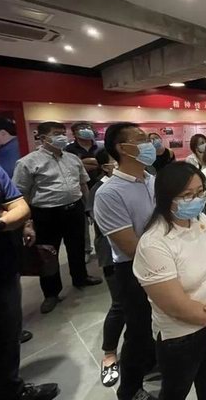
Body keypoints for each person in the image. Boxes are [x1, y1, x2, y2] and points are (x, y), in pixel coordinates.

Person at [0, 127, 60, 400]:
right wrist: (4, 217)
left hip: (2, 270)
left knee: (4, 340)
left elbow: (21, 208)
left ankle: (10, 392)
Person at [134, 162, 206, 399]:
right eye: (187, 195)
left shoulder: (200, 219)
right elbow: (177, 306)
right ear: (166, 197)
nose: (195, 200)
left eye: (199, 192)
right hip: (181, 337)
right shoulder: (154, 243)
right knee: (176, 391)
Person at [93, 122, 157, 400]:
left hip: (163, 260)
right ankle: (130, 389)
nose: (149, 144)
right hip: (133, 268)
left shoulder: (153, 179)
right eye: (141, 139)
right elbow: (130, 246)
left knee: (157, 321)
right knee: (138, 329)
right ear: (122, 148)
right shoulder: (109, 193)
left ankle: (152, 362)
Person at [13, 122, 102, 314]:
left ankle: (80, 277)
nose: (61, 137)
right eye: (56, 134)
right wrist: (27, 222)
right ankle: (51, 293)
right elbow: (21, 194)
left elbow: (83, 184)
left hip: (74, 209)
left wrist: (88, 208)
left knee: (77, 246)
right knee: (48, 253)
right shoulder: (27, 162)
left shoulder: (73, 158)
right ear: (43, 138)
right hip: (45, 213)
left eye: (63, 133)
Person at [87, 148, 123, 388]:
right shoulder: (100, 190)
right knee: (119, 304)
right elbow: (104, 226)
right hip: (113, 255)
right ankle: (109, 352)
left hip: (139, 254)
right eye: (114, 161)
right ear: (105, 166)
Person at [65, 121, 101, 264]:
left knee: (101, 219)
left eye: (88, 128)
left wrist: (84, 163)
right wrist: (86, 164)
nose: (86, 130)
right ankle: (86, 249)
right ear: (74, 133)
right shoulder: (69, 149)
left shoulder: (100, 147)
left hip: (100, 186)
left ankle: (103, 248)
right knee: (82, 223)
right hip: (79, 188)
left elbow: (103, 162)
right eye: (81, 128)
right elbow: (71, 167)